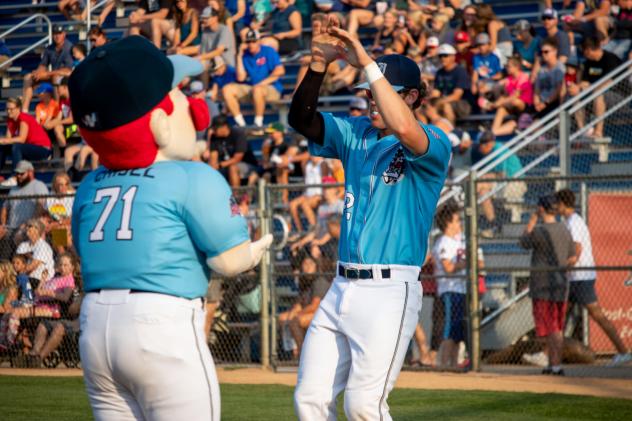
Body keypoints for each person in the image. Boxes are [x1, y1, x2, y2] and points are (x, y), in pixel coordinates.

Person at [68, 36, 272, 420]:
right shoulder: (190, 175)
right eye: (176, 92)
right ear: (160, 124)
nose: (193, 107)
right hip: (160, 322)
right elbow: (230, 262)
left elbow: (84, 250)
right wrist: (254, 250)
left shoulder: (90, 184)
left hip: (95, 327)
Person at [288, 16, 451, 420]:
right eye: (369, 94)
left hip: (389, 289)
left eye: (383, 93)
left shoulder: (434, 142)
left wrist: (365, 60)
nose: (371, 101)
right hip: (342, 284)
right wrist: (318, 65)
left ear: (412, 96)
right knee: (309, 399)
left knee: (364, 406)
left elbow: (403, 127)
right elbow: (301, 120)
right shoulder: (356, 133)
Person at [556, 189, 632, 366]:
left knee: (596, 315)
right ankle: (549, 354)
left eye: (557, 203)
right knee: (560, 316)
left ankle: (623, 351)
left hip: (580, 277)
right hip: (574, 278)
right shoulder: (569, 221)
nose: (555, 206)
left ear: (562, 204)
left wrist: (565, 266)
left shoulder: (574, 222)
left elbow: (577, 248)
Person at [520, 195, 575, 376]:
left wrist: (533, 219)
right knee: (556, 327)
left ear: (541, 209)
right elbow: (572, 256)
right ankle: (554, 365)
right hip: (560, 283)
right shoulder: (565, 229)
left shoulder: (540, 231)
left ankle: (556, 365)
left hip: (544, 285)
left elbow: (523, 242)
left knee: (551, 328)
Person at [222, 29, 285, 130]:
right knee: (227, 89)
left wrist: (261, 84)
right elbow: (240, 77)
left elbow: (280, 71)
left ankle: (258, 123)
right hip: (252, 87)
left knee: (257, 90)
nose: (251, 44)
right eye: (248, 42)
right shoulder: (244, 55)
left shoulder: (268, 51)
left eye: (253, 41)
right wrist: (239, 56)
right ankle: (240, 123)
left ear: (259, 41)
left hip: (271, 88)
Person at [568, 35, 622, 140]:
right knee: (576, 97)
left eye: (583, 50)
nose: (583, 53)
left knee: (598, 93)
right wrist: (577, 88)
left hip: (618, 96)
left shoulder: (610, 59)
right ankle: (583, 132)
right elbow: (585, 82)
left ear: (588, 50)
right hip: (594, 94)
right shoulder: (588, 63)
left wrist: (587, 88)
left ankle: (598, 132)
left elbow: (608, 82)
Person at [278, 255, 331, 359]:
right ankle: (289, 353)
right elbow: (299, 304)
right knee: (282, 318)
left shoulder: (319, 281)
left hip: (323, 314)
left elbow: (315, 306)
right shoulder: (304, 281)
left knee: (295, 321)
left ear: (316, 266)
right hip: (309, 312)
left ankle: (302, 354)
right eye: (305, 264)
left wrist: (297, 314)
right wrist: (292, 313)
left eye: (310, 264)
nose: (307, 267)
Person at [0, 161, 49, 259]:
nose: (19, 176)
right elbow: (5, 208)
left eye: (22, 173)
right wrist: (3, 225)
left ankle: (24, 261)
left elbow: (40, 207)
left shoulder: (38, 185)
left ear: (30, 172)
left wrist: (28, 224)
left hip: (29, 226)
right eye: (17, 174)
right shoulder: (13, 189)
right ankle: (4, 265)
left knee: (19, 234)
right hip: (11, 226)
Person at [21, 25, 73, 112]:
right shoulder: (50, 48)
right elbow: (43, 65)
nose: (57, 36)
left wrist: (46, 73)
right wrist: (37, 72)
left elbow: (68, 70)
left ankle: (57, 110)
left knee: (56, 77)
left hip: (67, 78)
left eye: (59, 33)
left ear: (64, 34)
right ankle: (24, 111)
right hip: (53, 75)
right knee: (28, 77)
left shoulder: (69, 47)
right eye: (55, 34)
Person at [0, 98, 52, 172]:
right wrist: (3, 141)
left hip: (43, 149)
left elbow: (22, 139)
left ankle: (16, 175)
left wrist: (4, 140)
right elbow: (8, 140)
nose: (8, 111)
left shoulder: (23, 118)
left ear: (18, 109)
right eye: (7, 109)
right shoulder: (10, 120)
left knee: (17, 147)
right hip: (27, 148)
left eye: (11, 109)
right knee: (2, 147)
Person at [208, 114, 259, 187]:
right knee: (211, 170)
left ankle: (236, 195)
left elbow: (238, 158)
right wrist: (213, 167)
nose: (213, 131)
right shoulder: (214, 137)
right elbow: (213, 157)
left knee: (232, 167)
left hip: (246, 165)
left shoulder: (238, 134)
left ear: (224, 127)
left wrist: (220, 165)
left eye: (215, 129)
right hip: (224, 166)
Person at [433, 43, 472, 124]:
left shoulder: (460, 71)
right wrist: (430, 102)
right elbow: (435, 93)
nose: (442, 58)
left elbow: (456, 96)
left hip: (463, 104)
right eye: (440, 56)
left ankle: (450, 132)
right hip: (445, 101)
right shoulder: (439, 72)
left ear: (453, 57)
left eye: (445, 55)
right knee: (423, 108)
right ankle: (429, 132)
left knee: (445, 106)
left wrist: (439, 102)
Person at [533, 37, 566, 120]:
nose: (543, 54)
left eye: (546, 52)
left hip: (553, 104)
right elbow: (537, 90)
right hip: (541, 105)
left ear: (555, 51)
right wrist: (537, 103)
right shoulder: (541, 70)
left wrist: (545, 103)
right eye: (542, 52)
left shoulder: (560, 68)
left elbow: (559, 90)